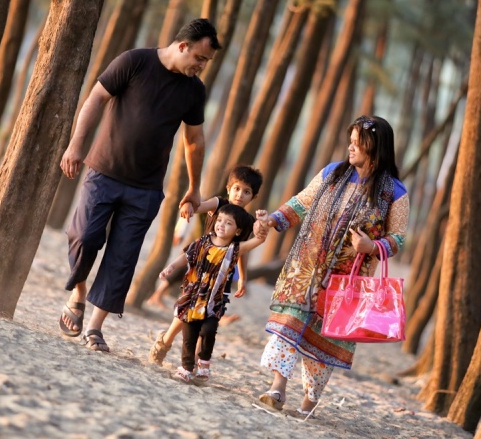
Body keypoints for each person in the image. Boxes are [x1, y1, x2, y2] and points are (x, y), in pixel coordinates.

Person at [58, 19, 222, 352]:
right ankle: (79, 293)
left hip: (145, 189)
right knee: (84, 236)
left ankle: (94, 327)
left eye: (206, 62)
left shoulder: (194, 91)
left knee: (122, 258)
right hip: (103, 171)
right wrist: (76, 144)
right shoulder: (134, 61)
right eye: (200, 59)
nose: (201, 67)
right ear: (182, 46)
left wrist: (194, 187)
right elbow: (95, 99)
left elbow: (193, 140)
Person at [253, 115, 409, 416]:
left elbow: (399, 238)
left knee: (324, 344)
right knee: (288, 326)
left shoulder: (395, 193)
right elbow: (301, 203)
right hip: (307, 269)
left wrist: (372, 247)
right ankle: (277, 388)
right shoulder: (332, 173)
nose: (350, 149)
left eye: (357, 144)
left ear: (375, 149)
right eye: (349, 142)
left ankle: (307, 405)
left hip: (347, 284)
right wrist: (273, 220)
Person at [147, 165, 263, 365]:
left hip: (220, 278)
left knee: (208, 319)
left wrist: (242, 278)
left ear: (253, 197)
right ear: (228, 188)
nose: (240, 195)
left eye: (246, 192)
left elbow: (242, 252)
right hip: (199, 271)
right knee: (186, 314)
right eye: (236, 188)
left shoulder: (247, 221)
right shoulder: (218, 204)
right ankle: (165, 342)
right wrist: (190, 206)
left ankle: (192, 362)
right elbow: (200, 205)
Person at [159, 205, 269, 383]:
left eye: (228, 223)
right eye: (219, 221)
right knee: (189, 337)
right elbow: (187, 256)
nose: (221, 225)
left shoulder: (234, 249)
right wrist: (171, 267)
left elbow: (259, 240)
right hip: (191, 299)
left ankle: (203, 363)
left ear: (237, 230)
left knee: (208, 331)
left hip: (212, 303)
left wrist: (263, 223)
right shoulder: (203, 241)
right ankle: (186, 368)